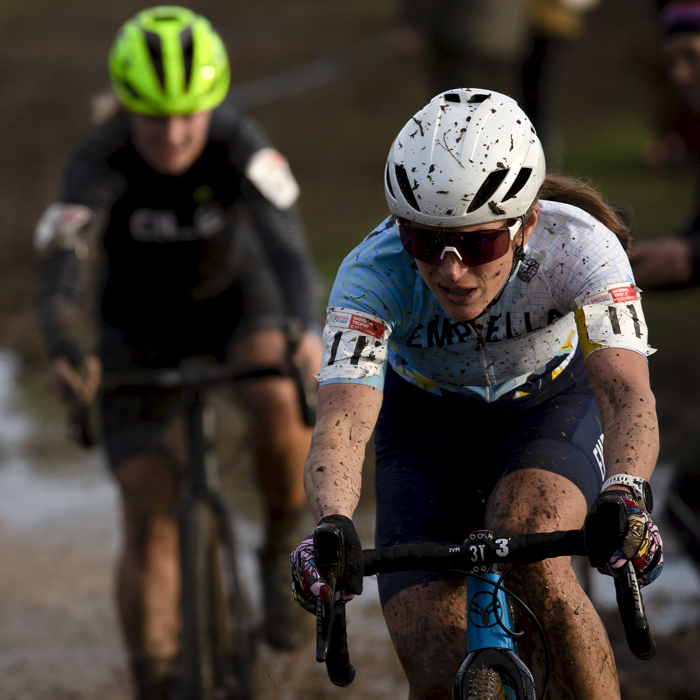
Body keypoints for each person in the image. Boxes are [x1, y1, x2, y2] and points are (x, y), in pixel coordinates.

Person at [290, 88, 663, 700]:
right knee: (434, 664)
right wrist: (331, 524)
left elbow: (625, 391)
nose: (451, 269)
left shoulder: (581, 247)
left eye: (481, 243)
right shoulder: (370, 272)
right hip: (423, 428)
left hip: (548, 407)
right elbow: (342, 421)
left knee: (532, 541)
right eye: (425, 241)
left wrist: (627, 492)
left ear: (528, 223)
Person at [35, 6, 320, 699]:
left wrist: (306, 330)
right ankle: (154, 676)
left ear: (213, 102)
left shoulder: (239, 140)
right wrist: (66, 345)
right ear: (128, 105)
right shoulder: (97, 156)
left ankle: (280, 544)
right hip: (135, 327)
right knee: (147, 502)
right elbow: (66, 266)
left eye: (189, 113)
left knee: (282, 395)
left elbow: (288, 248)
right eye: (154, 116)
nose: (173, 133)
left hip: (235, 304)